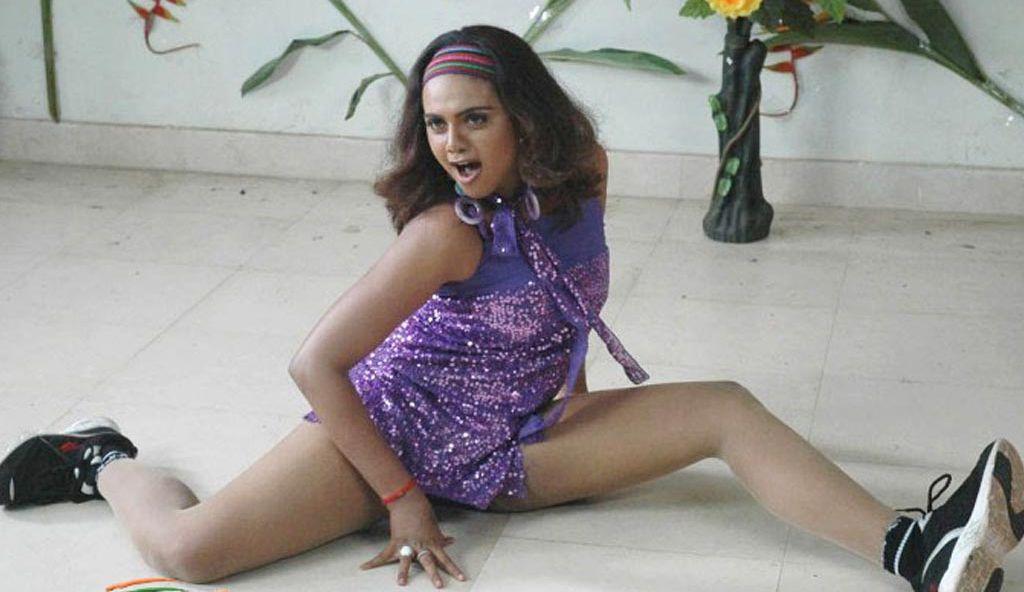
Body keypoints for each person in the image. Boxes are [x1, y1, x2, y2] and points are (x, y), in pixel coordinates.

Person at [2, 24, 1022, 592]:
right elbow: (316, 363)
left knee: (724, 407)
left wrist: (566, 394)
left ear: (523, 118)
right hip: (397, 428)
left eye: (474, 119)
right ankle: (99, 457)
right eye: (437, 124)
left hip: (516, 438)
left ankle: (915, 548)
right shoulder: (443, 233)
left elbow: (568, 299)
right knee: (190, 555)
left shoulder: (585, 173)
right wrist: (402, 495)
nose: (452, 144)